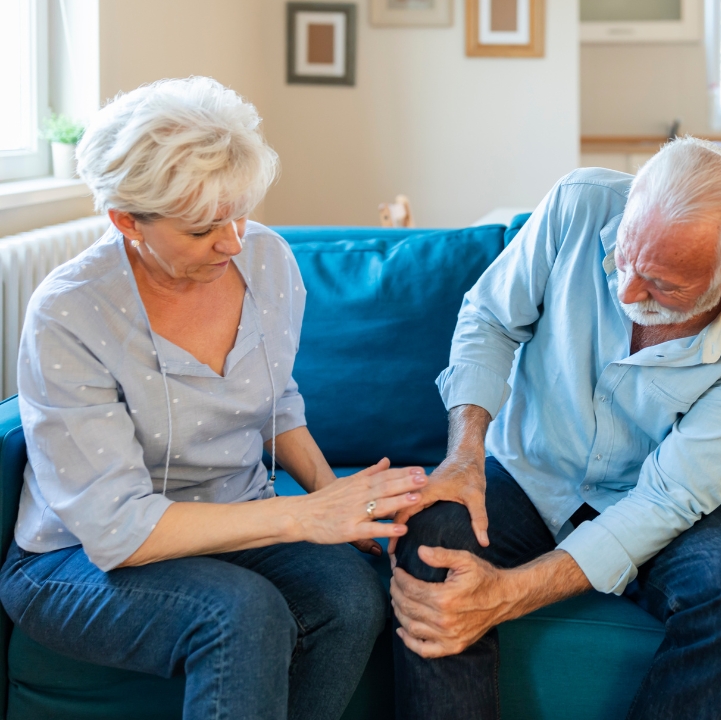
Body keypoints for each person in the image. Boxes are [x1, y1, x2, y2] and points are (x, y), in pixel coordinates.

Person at [0, 77, 427, 720]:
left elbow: (275, 401)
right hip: (77, 556)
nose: (231, 242)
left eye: (238, 214)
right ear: (127, 221)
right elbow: (117, 531)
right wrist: (303, 518)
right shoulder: (71, 311)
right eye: (203, 228)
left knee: (351, 594)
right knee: (239, 612)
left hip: (233, 520)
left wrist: (336, 500)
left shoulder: (267, 260)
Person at [388, 137, 721, 720]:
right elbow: (488, 320)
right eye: (623, 260)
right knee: (431, 541)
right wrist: (464, 455)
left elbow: (672, 496)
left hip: (643, 496)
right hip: (525, 469)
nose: (628, 292)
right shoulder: (579, 204)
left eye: (663, 285)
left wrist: (506, 595)